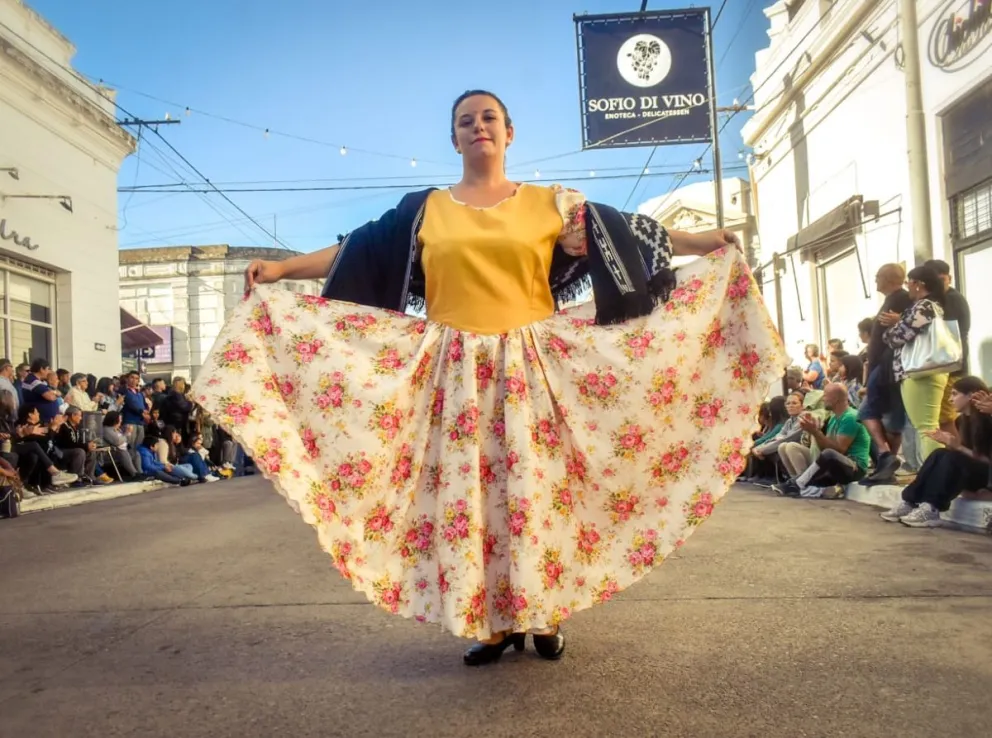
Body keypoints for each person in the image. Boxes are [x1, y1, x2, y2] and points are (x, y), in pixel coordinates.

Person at [195, 89, 787, 665]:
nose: (478, 127)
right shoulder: (424, 210)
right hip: (451, 371)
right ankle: (494, 623)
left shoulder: (548, 204)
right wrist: (281, 268)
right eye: (465, 121)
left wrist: (701, 240)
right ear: (452, 138)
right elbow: (356, 251)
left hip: (529, 367)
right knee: (471, 498)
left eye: (489, 118)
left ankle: (545, 612)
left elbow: (627, 234)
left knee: (534, 492)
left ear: (508, 132)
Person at [881, 376, 990, 527]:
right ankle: (910, 502)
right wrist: (950, 444)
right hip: (974, 472)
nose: (951, 399)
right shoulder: (961, 421)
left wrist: (958, 447)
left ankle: (932, 507)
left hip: (987, 477)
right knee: (940, 454)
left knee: (953, 457)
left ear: (971, 395)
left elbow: (986, 461)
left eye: (955, 394)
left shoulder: (987, 420)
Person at [882, 265, 951, 464]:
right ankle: (932, 472)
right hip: (927, 372)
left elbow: (897, 337)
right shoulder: (933, 306)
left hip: (920, 372)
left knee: (926, 427)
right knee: (928, 425)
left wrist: (893, 326)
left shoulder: (924, 306)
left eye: (909, 282)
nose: (907, 287)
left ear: (919, 284)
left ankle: (933, 474)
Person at [774, 383, 871, 498]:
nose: (823, 399)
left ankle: (797, 484)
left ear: (835, 399)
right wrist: (813, 432)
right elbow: (825, 447)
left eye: (825, 396)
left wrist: (816, 432)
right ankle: (800, 485)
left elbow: (839, 451)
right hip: (834, 464)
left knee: (829, 454)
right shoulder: (834, 417)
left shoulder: (850, 417)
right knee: (790, 446)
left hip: (854, 467)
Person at [923, 260, 971, 437]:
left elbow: (944, 334)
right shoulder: (944, 299)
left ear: (949, 278)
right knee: (945, 418)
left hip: (951, 367)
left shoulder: (951, 299)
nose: (938, 284)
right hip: (949, 366)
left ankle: (959, 456)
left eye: (941, 279)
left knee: (945, 419)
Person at [745, 392, 804, 484]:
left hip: (800, 451)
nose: (790, 406)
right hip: (787, 448)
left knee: (783, 446)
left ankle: (791, 479)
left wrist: (760, 449)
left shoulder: (802, 420)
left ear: (802, 406)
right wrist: (759, 448)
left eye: (794, 403)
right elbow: (777, 437)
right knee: (778, 446)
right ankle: (794, 480)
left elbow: (785, 439)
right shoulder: (789, 421)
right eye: (788, 403)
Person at [55, 407, 113, 485]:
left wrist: (89, 445)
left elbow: (78, 442)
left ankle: (90, 476)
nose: (81, 418)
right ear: (73, 415)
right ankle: (77, 479)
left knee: (91, 452)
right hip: (62, 451)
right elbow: (68, 443)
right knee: (80, 451)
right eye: (79, 415)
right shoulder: (64, 426)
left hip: (72, 450)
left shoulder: (76, 427)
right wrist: (86, 446)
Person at [102, 411, 142, 480]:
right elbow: (117, 441)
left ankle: (140, 473)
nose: (121, 422)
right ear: (114, 420)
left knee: (135, 453)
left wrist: (128, 434)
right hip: (108, 453)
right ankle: (134, 474)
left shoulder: (117, 429)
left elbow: (126, 441)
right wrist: (127, 433)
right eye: (119, 420)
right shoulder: (106, 430)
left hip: (119, 451)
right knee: (123, 452)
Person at [22, 358, 62, 423]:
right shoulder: (33, 381)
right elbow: (51, 397)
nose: (49, 372)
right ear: (41, 369)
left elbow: (58, 393)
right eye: (48, 369)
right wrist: (55, 393)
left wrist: (54, 393)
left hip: (47, 421)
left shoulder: (41, 381)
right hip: (41, 421)